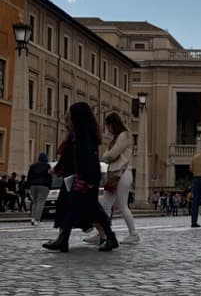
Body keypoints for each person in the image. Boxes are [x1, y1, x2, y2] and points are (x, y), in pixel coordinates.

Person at [43, 102, 119, 252]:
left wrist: (87, 179)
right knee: (85, 208)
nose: (69, 117)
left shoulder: (83, 133)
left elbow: (87, 157)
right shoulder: (85, 131)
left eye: (71, 114)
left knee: (78, 208)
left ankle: (64, 241)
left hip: (86, 177)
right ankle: (65, 241)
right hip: (86, 176)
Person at [86, 112, 140, 246]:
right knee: (105, 204)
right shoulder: (119, 136)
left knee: (122, 205)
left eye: (107, 126)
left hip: (121, 173)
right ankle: (102, 233)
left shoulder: (124, 135)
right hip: (115, 173)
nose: (107, 130)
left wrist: (104, 156)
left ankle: (133, 234)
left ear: (112, 124)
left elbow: (112, 154)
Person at [26, 152, 52, 225]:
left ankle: (33, 218)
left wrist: (28, 187)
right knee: (41, 202)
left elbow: (29, 177)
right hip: (44, 186)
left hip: (33, 185)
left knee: (35, 202)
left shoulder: (32, 166)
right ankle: (37, 219)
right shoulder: (47, 166)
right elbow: (49, 177)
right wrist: (49, 187)